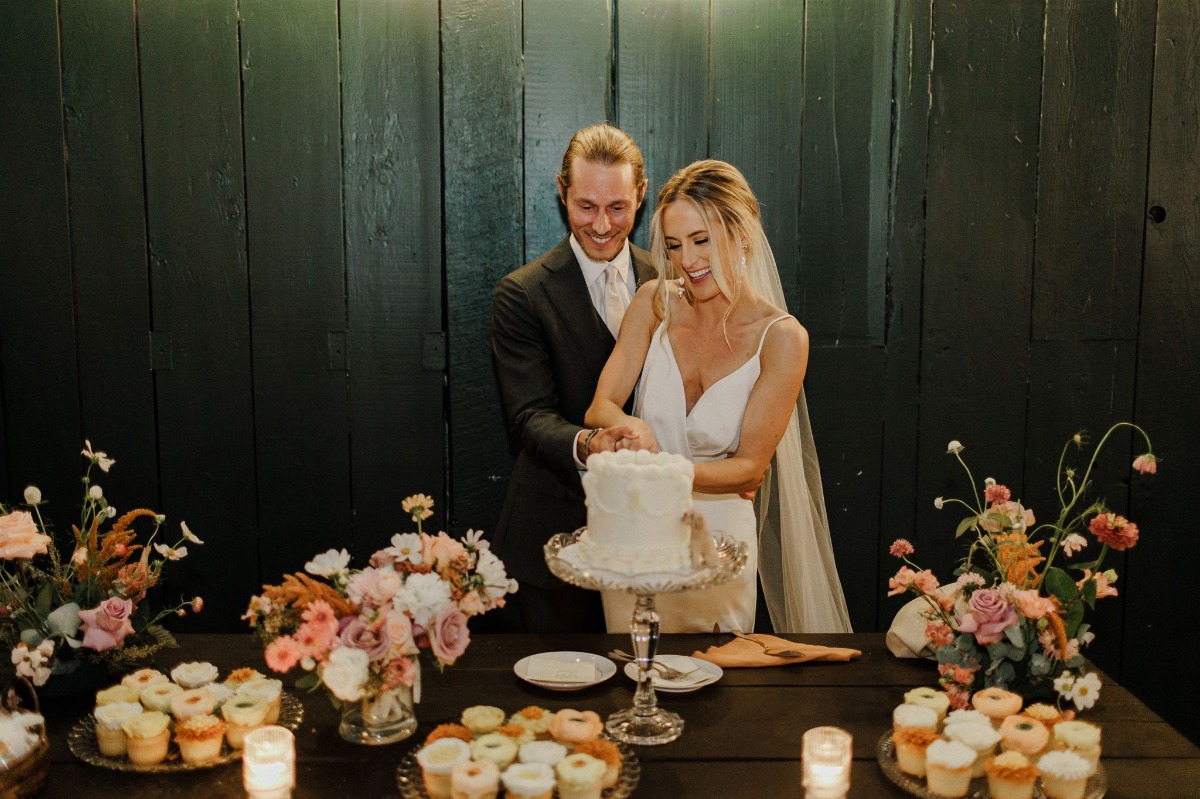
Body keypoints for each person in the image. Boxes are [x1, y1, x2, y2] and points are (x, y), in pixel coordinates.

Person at [585, 159, 853, 634]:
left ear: (742, 232)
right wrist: (635, 427)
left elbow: (750, 468)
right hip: (638, 532)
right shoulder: (653, 303)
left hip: (721, 544)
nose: (687, 260)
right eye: (674, 245)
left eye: (701, 240)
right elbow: (600, 407)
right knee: (632, 679)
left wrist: (658, 470)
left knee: (716, 687)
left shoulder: (782, 339)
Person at [490, 124, 656, 633]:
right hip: (554, 534)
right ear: (562, 193)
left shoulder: (666, 284)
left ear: (641, 196)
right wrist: (591, 442)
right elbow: (527, 417)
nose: (603, 225)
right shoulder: (522, 294)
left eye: (618, 207)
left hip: (650, 539)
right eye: (586, 206)